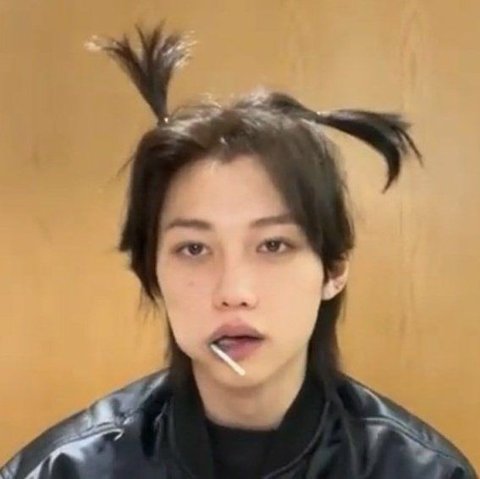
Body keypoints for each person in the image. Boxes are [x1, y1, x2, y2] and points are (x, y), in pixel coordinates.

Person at [1, 24, 477, 479]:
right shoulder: (62, 471)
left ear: (333, 268)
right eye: (193, 248)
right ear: (151, 272)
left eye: (273, 245)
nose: (233, 292)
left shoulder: (424, 472)